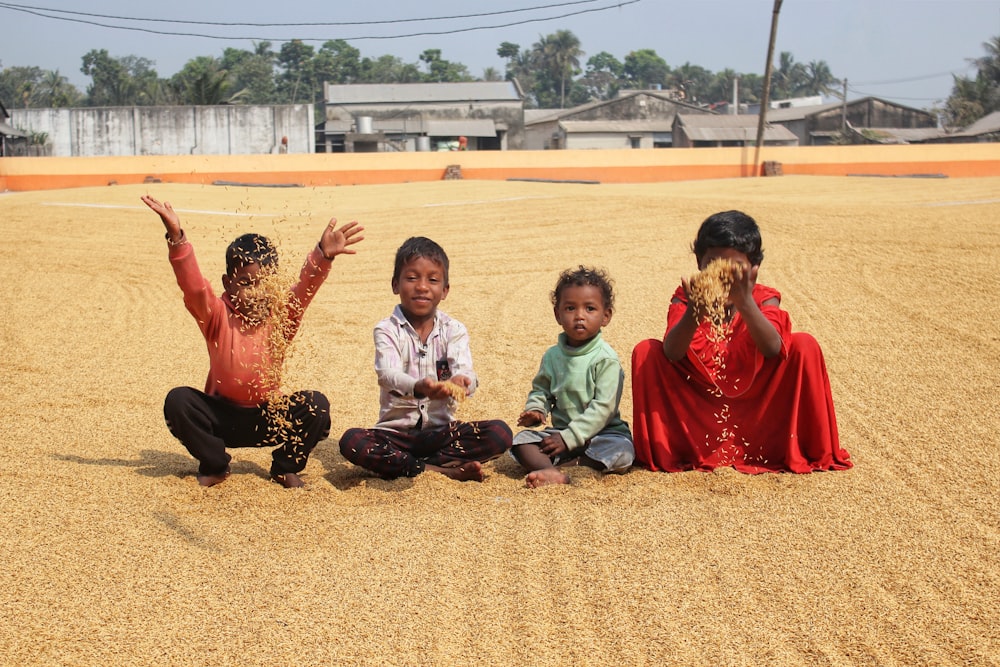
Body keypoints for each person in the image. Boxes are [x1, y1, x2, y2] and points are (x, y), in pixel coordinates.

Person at [142, 194, 364, 488]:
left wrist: (323, 256)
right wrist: (177, 238)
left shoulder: (282, 318)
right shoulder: (216, 316)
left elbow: (305, 289)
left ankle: (285, 467)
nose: (256, 292)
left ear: (274, 282)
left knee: (316, 406)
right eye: (246, 284)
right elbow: (193, 287)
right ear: (227, 283)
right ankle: (216, 463)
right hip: (220, 418)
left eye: (264, 283)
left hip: (269, 417)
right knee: (178, 401)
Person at [631, 210, 852, 474]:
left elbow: (772, 347)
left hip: (760, 409)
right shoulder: (686, 297)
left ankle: (801, 448)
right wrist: (695, 311)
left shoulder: (763, 298)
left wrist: (745, 303)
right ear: (700, 263)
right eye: (714, 265)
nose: (723, 277)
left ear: (752, 268)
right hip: (699, 406)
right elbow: (672, 353)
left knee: (805, 344)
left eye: (734, 268)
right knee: (646, 351)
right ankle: (670, 453)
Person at [339, 236, 512, 482]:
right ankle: (440, 470)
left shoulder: (454, 329)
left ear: (445, 290)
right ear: (395, 285)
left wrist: (461, 383)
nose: (422, 286)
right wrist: (419, 388)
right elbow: (388, 374)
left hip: (442, 433)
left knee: (499, 433)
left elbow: (466, 372)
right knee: (352, 441)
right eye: (412, 278)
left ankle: (420, 465)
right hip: (395, 434)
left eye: (432, 280)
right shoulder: (386, 329)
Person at [512, 267, 634, 487]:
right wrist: (537, 409)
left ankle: (565, 467)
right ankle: (552, 471)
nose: (579, 316)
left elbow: (604, 408)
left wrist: (570, 438)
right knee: (521, 441)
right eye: (570, 308)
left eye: (590, 309)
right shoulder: (552, 356)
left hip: (603, 434)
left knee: (622, 452)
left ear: (605, 316)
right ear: (558, 314)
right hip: (561, 432)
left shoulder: (606, 359)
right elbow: (542, 390)